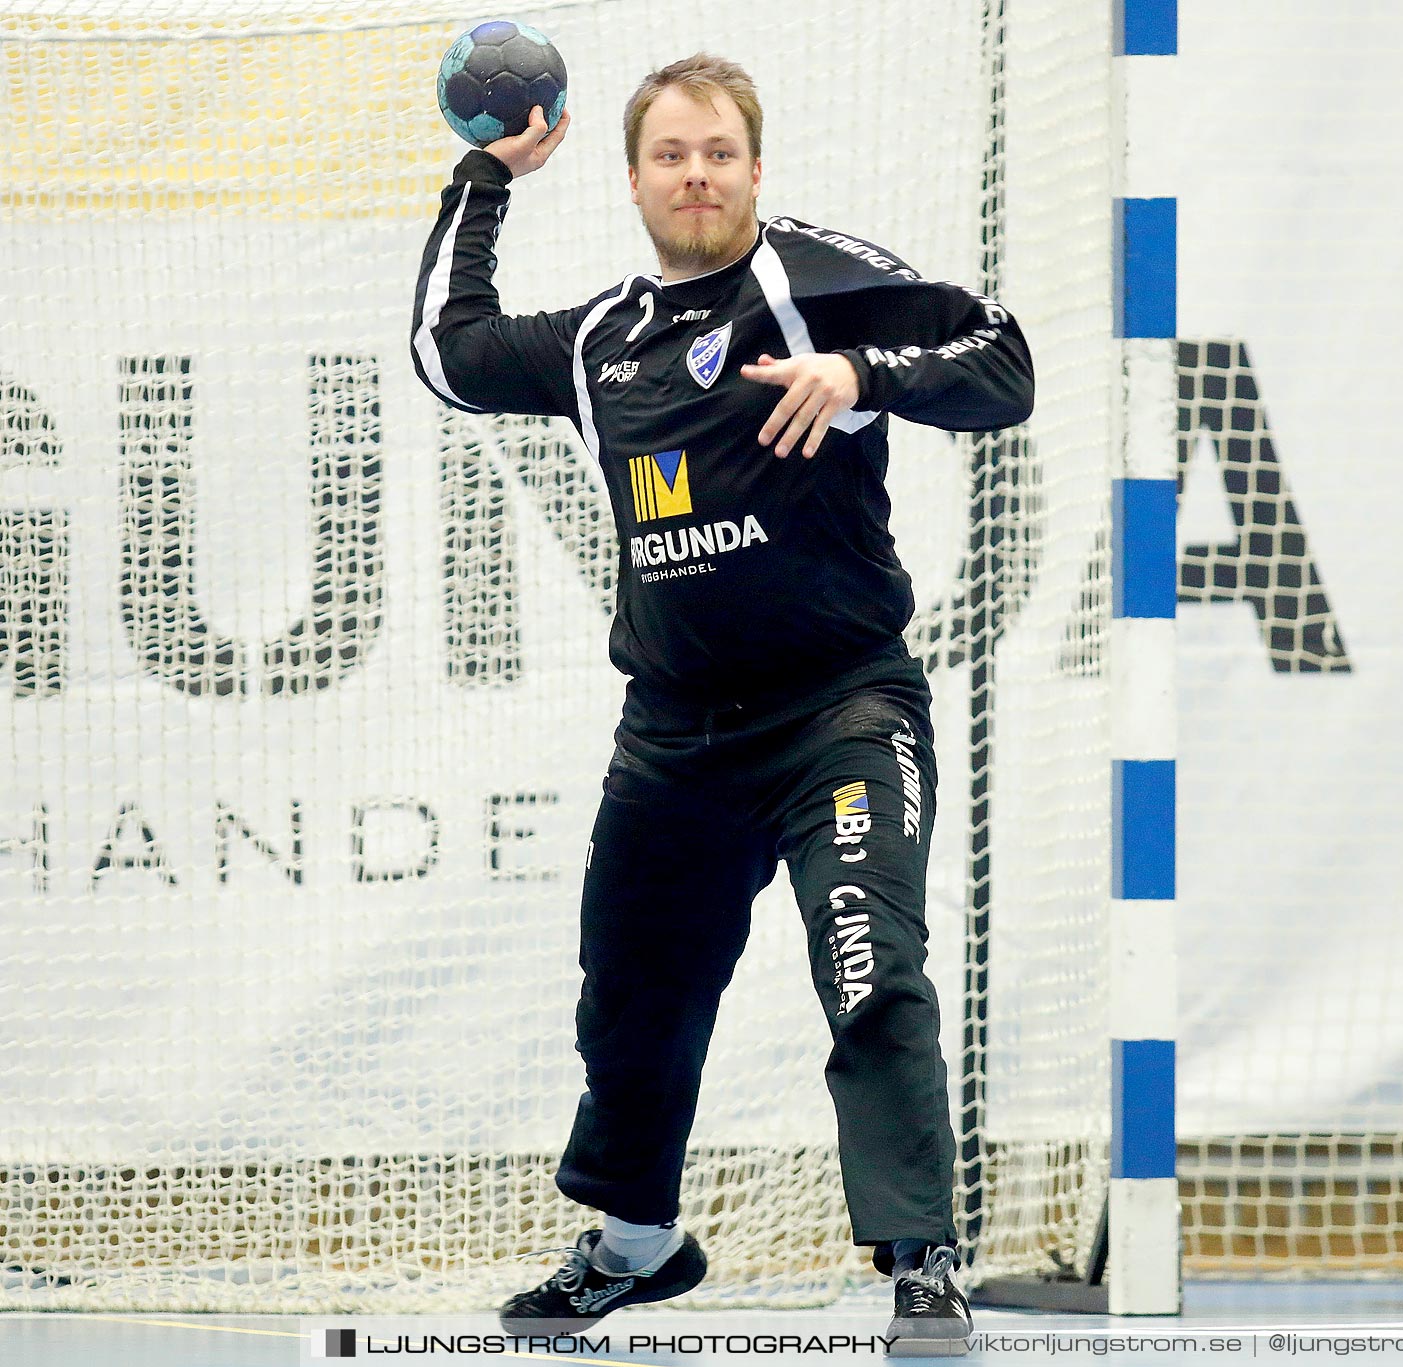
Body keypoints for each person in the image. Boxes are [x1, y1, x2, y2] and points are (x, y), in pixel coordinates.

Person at [410, 52, 1032, 1353]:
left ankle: (921, 1261)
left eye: (721, 154)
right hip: (675, 737)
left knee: (872, 965)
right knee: (632, 999)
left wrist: (871, 379)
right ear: (635, 177)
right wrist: (484, 182)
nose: (698, 175)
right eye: (672, 156)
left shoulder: (818, 280)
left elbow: (1004, 363)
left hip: (839, 712)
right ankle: (638, 1242)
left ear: (755, 168)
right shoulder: (600, 341)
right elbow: (450, 355)